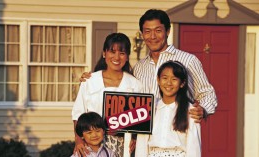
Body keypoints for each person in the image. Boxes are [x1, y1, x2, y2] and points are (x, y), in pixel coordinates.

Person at [79, 9, 217, 122]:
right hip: (144, 137)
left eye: (158, 30)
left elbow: (207, 93)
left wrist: (202, 110)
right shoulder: (139, 67)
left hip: (176, 131)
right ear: (142, 34)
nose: (152, 36)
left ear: (167, 31)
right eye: (147, 31)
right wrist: (92, 78)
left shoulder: (188, 61)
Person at [72, 32, 142, 157]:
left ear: (127, 57)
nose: (117, 57)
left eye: (122, 53)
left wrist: (135, 137)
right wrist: (78, 140)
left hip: (123, 145)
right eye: (112, 51)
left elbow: (140, 118)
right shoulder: (90, 81)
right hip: (92, 144)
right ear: (104, 53)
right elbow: (78, 113)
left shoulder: (135, 85)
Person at [136, 60, 201, 157]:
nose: (169, 83)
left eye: (174, 79)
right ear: (158, 80)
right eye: (165, 78)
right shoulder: (149, 108)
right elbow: (141, 143)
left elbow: (194, 147)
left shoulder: (190, 110)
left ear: (182, 83)